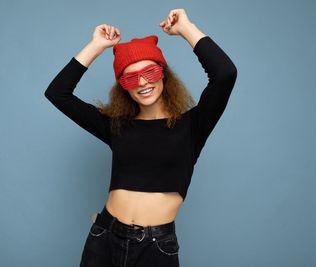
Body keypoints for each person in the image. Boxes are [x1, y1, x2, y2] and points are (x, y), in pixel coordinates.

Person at [44, 8, 237, 267]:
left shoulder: (192, 125)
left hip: (156, 247)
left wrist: (186, 28)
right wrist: (96, 46)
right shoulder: (116, 126)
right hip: (104, 237)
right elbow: (58, 93)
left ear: (164, 75)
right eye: (130, 77)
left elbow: (224, 74)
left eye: (151, 72)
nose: (142, 82)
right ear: (123, 87)